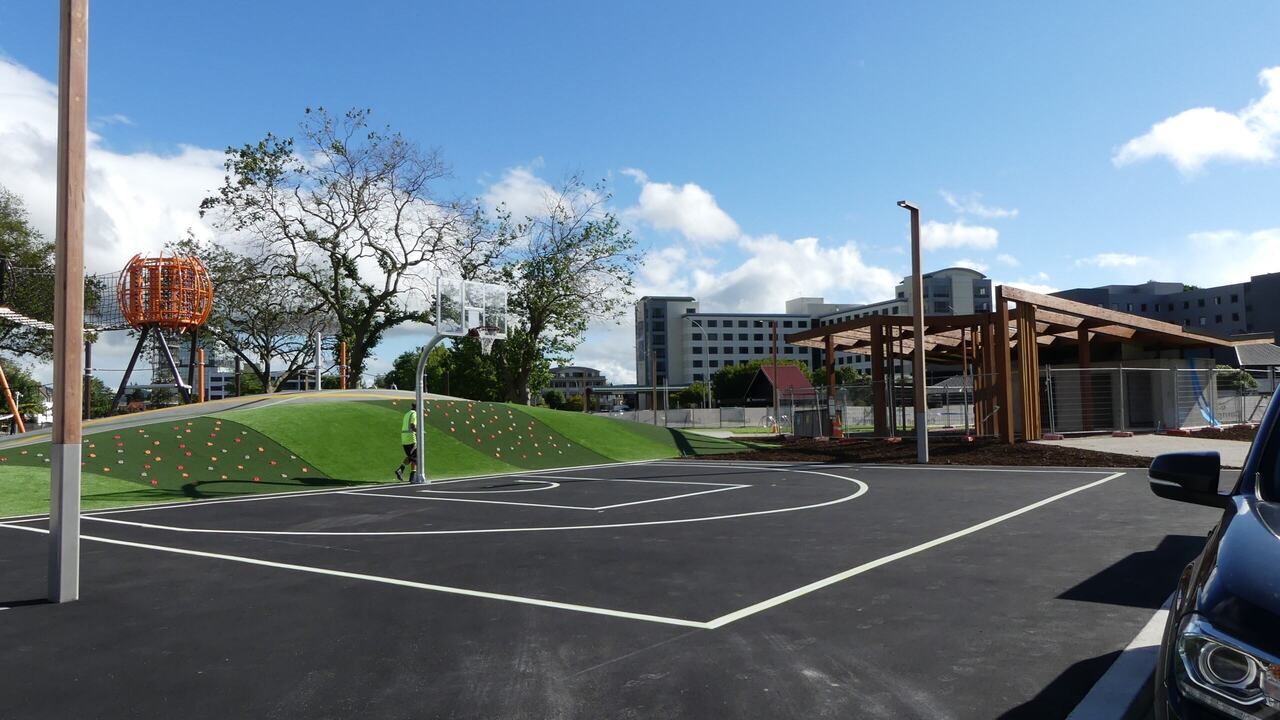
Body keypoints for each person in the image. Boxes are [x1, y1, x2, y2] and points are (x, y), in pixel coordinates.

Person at [395, 402, 422, 483]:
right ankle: (415, 476)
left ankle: (410, 475)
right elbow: (412, 426)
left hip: (404, 438)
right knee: (416, 458)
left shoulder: (407, 414)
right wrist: (420, 432)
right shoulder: (415, 414)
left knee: (411, 457)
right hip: (411, 438)